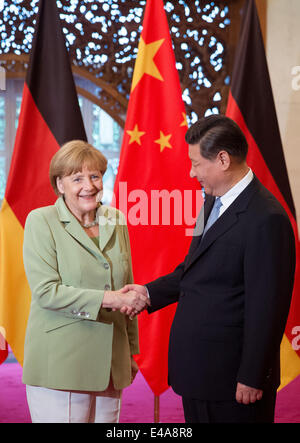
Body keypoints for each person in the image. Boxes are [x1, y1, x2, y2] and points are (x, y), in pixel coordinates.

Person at [121, 115, 296, 423]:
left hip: (234, 379)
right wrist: (149, 292)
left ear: (223, 159)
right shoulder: (211, 200)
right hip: (199, 371)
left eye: (196, 163)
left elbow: (268, 306)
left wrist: (253, 375)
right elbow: (196, 268)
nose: (191, 172)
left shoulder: (267, 218)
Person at [22, 140, 148, 423]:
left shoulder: (115, 219)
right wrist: (113, 299)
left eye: (94, 176)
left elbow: (126, 285)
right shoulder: (41, 221)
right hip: (61, 365)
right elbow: (47, 293)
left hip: (111, 366)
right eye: (76, 178)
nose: (88, 186)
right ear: (60, 184)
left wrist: (130, 351)